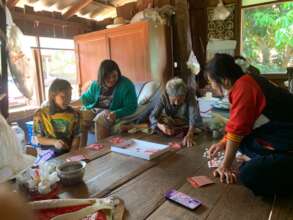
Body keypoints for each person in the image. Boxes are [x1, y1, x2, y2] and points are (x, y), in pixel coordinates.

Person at [206, 53, 293, 196]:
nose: (212, 86)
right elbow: (239, 124)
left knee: (249, 174)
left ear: (224, 80)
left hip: (287, 142)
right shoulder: (246, 81)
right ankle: (263, 157)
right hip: (278, 136)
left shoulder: (244, 87)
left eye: (211, 82)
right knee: (241, 142)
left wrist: (225, 166)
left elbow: (237, 131)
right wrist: (222, 143)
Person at [79, 60, 137, 146]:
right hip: (96, 110)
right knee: (81, 116)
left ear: (118, 74)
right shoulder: (96, 84)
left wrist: (116, 113)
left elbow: (131, 107)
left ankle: (102, 150)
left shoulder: (126, 85)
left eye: (114, 76)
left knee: (101, 118)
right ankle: (82, 150)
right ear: (101, 77)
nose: (112, 79)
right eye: (108, 77)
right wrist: (82, 107)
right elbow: (86, 99)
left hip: (112, 112)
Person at [33, 79, 80, 159]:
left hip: (68, 152)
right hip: (47, 153)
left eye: (70, 96)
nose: (67, 100)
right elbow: (39, 138)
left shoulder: (74, 114)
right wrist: (54, 142)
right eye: (63, 96)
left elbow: (77, 137)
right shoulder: (40, 114)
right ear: (53, 96)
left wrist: (72, 153)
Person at [149, 77, 202, 147]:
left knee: (196, 126)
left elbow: (193, 115)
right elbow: (153, 116)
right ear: (168, 95)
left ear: (185, 94)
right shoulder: (163, 95)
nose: (176, 103)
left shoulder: (189, 93)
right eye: (173, 100)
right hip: (172, 119)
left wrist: (190, 134)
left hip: (185, 120)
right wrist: (160, 126)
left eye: (180, 100)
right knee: (161, 124)